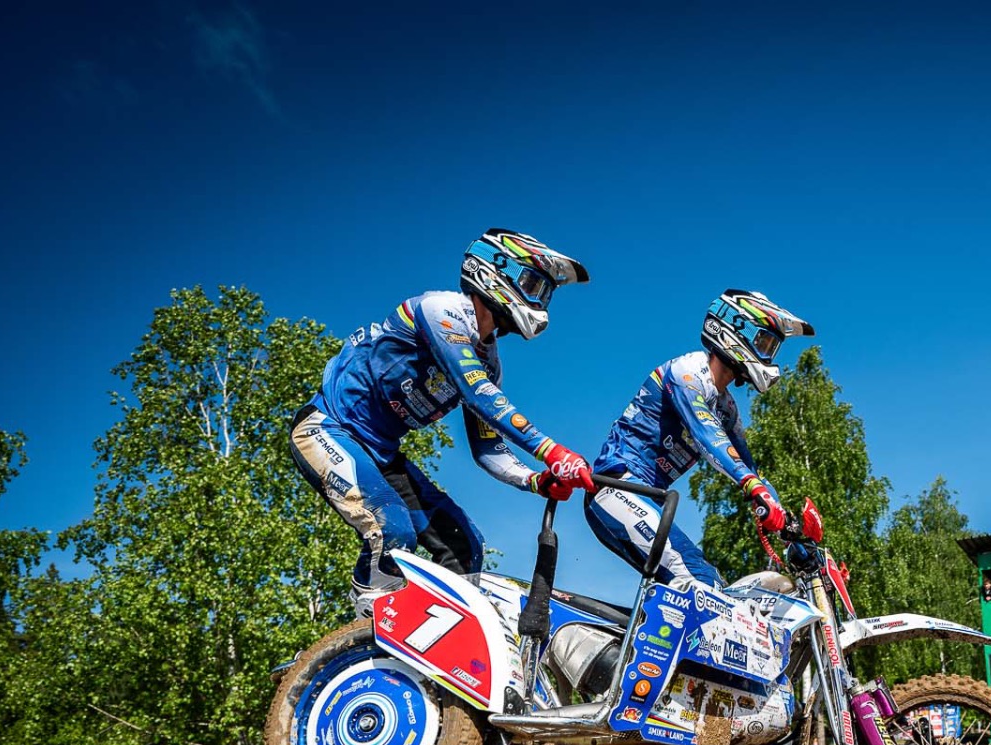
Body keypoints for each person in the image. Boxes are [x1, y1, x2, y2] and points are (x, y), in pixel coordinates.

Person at [289, 229, 597, 616]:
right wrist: (552, 452)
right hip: (328, 428)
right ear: (494, 271)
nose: (540, 302)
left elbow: (488, 447)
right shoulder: (441, 310)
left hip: (382, 455)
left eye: (545, 294)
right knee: (391, 528)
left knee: (463, 545)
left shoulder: (488, 363)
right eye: (534, 286)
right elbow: (478, 392)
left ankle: (440, 638)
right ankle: (367, 634)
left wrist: (535, 480)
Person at [587, 290, 812, 586]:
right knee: (700, 581)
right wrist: (754, 487)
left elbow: (748, 467)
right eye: (764, 343)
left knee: (712, 584)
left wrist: (789, 529)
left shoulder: (726, 406)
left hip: (647, 497)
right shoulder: (688, 371)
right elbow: (709, 436)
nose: (768, 355)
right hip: (616, 486)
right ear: (734, 331)